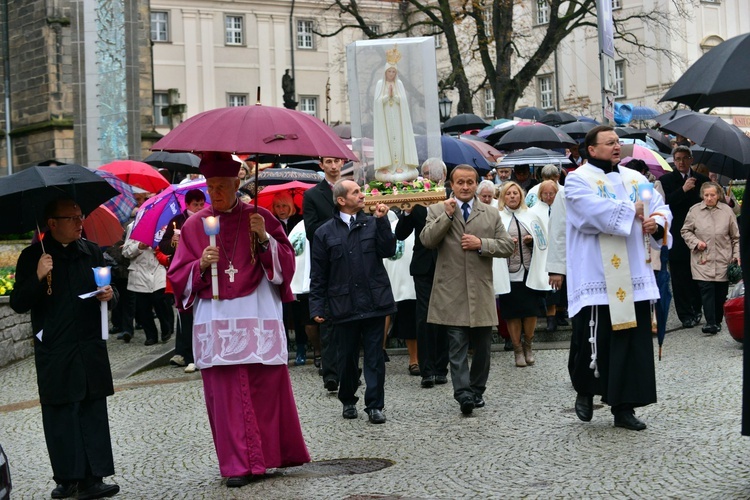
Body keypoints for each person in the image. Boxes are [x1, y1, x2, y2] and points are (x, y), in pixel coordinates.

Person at [167, 152, 309, 487]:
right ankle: (237, 465)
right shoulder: (193, 225)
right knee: (226, 392)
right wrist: (200, 263)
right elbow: (177, 277)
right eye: (210, 187)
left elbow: (286, 267)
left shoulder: (260, 216)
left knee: (264, 386)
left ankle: (271, 457)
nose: (215, 193)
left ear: (236, 185)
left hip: (256, 313)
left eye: (222, 186)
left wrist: (263, 238)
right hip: (216, 318)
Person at [10, 198, 120, 499]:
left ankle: (94, 477)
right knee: (61, 413)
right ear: (52, 224)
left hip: (88, 344)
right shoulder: (33, 256)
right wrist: (38, 276)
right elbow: (19, 303)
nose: (79, 222)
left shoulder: (91, 251)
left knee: (92, 409)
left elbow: (112, 290)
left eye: (80, 216)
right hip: (56, 347)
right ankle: (67, 478)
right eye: (71, 218)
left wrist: (110, 294)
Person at [566, 125, 671, 431]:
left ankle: (624, 408)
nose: (616, 147)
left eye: (618, 142)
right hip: (597, 274)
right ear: (591, 149)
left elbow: (660, 208)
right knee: (593, 339)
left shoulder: (635, 179)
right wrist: (631, 210)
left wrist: (657, 223)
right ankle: (586, 390)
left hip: (634, 272)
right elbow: (588, 213)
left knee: (630, 343)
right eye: (609, 143)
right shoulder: (577, 180)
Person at [421, 164, 514, 415]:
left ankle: (477, 390)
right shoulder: (437, 209)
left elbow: (507, 246)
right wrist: (447, 216)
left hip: (480, 290)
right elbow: (427, 240)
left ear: (476, 184)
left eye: (469, 182)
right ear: (451, 184)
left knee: (483, 347)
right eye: (460, 182)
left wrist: (481, 244)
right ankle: (463, 394)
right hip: (450, 291)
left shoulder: (491, 213)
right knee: (457, 346)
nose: (465, 186)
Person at [309, 180, 396, 424]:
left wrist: (382, 221)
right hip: (342, 306)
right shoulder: (324, 232)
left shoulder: (372, 222)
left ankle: (375, 405)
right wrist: (317, 306)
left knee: (375, 358)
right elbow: (318, 275)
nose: (362, 195)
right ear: (341, 200)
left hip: (374, 302)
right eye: (356, 192)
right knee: (346, 358)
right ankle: (348, 399)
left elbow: (388, 249)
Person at [395, 161, 449, 389]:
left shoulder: (450, 198)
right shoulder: (415, 200)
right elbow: (400, 233)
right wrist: (407, 212)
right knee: (424, 316)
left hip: (447, 263)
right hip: (423, 265)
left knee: (445, 316)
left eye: (435, 175)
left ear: (444, 177)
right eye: (427, 174)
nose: (431, 178)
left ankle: (441, 367)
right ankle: (427, 370)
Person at [495, 181, 550, 367]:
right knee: (512, 313)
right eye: (508, 193)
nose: (512, 196)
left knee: (531, 312)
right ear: (503, 197)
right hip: (508, 272)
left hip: (529, 271)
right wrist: (505, 242)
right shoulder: (498, 217)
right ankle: (517, 350)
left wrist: (531, 240)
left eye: (515, 193)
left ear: (521, 196)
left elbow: (543, 242)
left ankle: (529, 345)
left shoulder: (531, 216)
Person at [302, 156, 345, 392]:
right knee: (327, 320)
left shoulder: (352, 189)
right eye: (328, 161)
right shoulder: (312, 195)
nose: (333, 165)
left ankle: (348, 370)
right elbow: (310, 230)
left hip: (350, 261)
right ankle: (330, 373)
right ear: (321, 166)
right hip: (326, 262)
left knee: (348, 319)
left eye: (337, 161)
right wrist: (337, 224)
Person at [659, 145, 710, 328]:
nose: (681, 162)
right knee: (680, 278)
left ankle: (697, 309)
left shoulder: (701, 179)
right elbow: (665, 204)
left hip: (698, 235)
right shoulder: (666, 180)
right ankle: (685, 314)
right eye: (678, 158)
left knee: (698, 275)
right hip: (677, 234)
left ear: (691, 160)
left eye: (684, 158)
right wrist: (683, 189)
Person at [680, 182, 740, 334]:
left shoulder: (727, 211)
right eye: (706, 195)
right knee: (706, 291)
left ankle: (718, 320)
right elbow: (685, 231)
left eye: (712, 195)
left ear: (718, 195)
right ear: (702, 196)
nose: (709, 198)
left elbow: (736, 237)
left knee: (720, 292)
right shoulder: (694, 211)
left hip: (723, 258)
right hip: (702, 259)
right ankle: (711, 323)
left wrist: (736, 255)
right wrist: (695, 242)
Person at [159, 188, 206, 372]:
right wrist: (173, 243)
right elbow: (163, 245)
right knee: (185, 312)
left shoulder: (206, 219)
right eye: (196, 204)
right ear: (187, 205)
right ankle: (187, 353)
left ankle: (198, 351)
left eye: (202, 204)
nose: (200, 207)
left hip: (201, 268)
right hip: (183, 271)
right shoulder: (177, 221)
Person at [373, 46, 419, 182]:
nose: (391, 74)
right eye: (389, 71)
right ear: (385, 72)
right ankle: (388, 166)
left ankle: (400, 165)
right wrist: (388, 96)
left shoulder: (399, 84)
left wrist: (395, 96)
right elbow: (377, 102)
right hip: (386, 119)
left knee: (399, 140)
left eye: (393, 71)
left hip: (398, 119)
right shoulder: (380, 84)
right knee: (387, 141)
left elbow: (404, 101)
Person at [270, 192, 307, 364]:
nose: (281, 210)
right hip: (281, 273)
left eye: (284, 206)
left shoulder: (300, 222)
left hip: (298, 271)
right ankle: (283, 347)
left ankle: (301, 347)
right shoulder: (272, 223)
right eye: (277, 206)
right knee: (282, 313)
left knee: (300, 314)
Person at [122, 226, 174, 346]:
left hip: (158, 269)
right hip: (139, 272)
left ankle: (166, 329)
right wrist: (139, 246)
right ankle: (151, 335)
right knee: (143, 307)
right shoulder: (133, 227)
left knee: (160, 301)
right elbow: (125, 251)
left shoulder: (163, 225)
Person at [529, 179, 562, 333]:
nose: (549, 197)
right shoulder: (534, 210)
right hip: (541, 252)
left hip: (559, 250)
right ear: (540, 195)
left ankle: (557, 315)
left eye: (552, 193)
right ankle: (550, 317)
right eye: (545, 194)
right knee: (546, 285)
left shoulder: (562, 207)